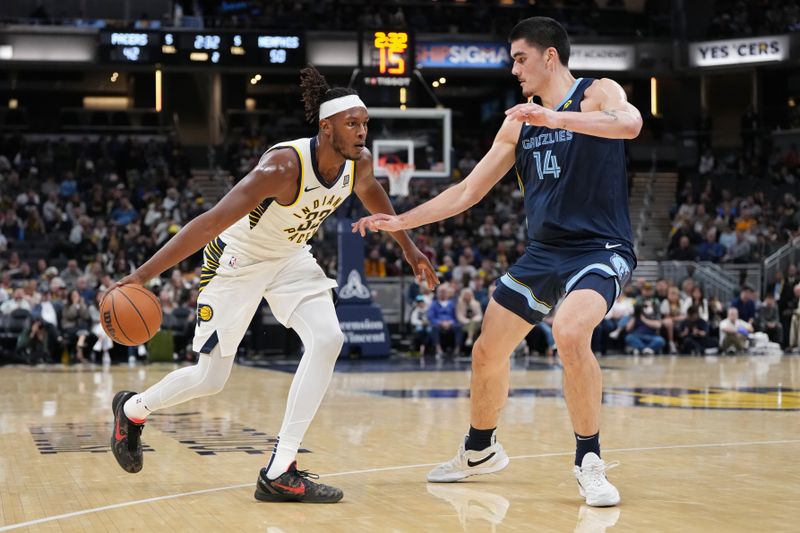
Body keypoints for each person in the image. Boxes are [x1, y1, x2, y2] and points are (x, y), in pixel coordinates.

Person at [109, 65, 437, 504]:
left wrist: (408, 248)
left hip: (290, 258)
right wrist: (141, 276)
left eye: (365, 124)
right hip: (237, 260)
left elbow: (372, 188)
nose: (362, 132)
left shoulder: (357, 163)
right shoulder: (283, 166)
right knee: (211, 379)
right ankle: (132, 411)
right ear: (326, 127)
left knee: (328, 338)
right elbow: (208, 223)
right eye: (352, 124)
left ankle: (280, 469)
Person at [354, 16, 641, 507]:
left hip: (600, 249)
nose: (514, 69)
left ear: (550, 56)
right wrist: (402, 221)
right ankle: (481, 449)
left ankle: (588, 461)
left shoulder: (597, 93)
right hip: (543, 253)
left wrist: (557, 118)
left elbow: (630, 124)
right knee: (486, 352)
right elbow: (468, 190)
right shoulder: (518, 121)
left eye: (520, 58)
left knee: (570, 333)